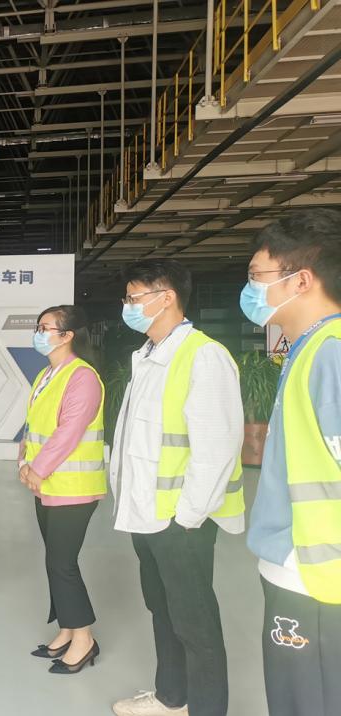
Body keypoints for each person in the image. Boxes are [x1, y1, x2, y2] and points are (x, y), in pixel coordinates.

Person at [108, 259, 245, 716]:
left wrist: (188, 516)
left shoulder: (203, 356)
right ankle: (172, 698)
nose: (128, 306)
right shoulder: (148, 356)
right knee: (162, 610)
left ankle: (207, 709)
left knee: (195, 623)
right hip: (146, 514)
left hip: (180, 522)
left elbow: (217, 447)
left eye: (134, 297)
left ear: (166, 297)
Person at [241, 209, 341, 716]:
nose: (250, 290)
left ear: (301, 280)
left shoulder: (332, 354)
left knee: (309, 701)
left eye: (257, 276)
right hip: (298, 565)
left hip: (317, 575)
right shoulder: (307, 349)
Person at [19, 305, 106, 675]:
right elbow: (33, 425)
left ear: (68, 335)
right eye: (38, 327)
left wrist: (37, 468)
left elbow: (69, 431)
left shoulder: (82, 377)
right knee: (54, 559)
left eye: (46, 328)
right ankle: (67, 629)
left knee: (62, 563)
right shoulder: (47, 374)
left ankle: (84, 638)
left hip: (73, 487)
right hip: (47, 485)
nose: (39, 334)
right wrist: (24, 463)